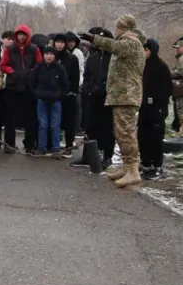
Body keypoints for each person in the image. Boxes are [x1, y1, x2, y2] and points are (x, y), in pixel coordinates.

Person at [80, 15, 146, 188]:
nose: (115, 30)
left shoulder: (131, 42)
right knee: (120, 133)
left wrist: (95, 39)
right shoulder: (128, 42)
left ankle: (133, 170)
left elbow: (114, 46)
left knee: (126, 133)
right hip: (120, 96)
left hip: (127, 95)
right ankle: (126, 167)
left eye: (117, 27)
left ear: (123, 27)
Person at [72, 27, 115, 169]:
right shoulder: (93, 58)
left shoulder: (113, 57)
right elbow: (87, 76)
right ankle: (87, 155)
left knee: (107, 128)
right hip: (92, 97)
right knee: (90, 127)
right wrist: (87, 90)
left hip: (107, 97)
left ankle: (107, 156)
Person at [0, 24, 43, 152]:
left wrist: (31, 72)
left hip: (29, 87)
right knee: (10, 118)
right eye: (19, 34)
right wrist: (13, 72)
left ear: (27, 35)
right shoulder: (10, 49)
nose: (21, 37)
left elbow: (39, 64)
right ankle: (9, 144)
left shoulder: (34, 49)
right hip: (13, 86)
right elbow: (3, 65)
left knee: (30, 117)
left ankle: (29, 145)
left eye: (23, 34)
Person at [139, 39, 172, 180]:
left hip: (157, 107)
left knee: (155, 137)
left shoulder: (161, 66)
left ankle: (157, 165)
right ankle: (146, 163)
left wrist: (160, 105)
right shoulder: (143, 65)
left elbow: (167, 88)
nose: (144, 52)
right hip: (144, 107)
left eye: (146, 50)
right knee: (143, 136)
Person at [28, 45, 69, 156]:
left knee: (55, 125)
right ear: (43, 55)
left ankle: (55, 148)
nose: (48, 56)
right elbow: (32, 83)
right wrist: (37, 94)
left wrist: (60, 96)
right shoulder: (38, 67)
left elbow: (66, 85)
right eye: (46, 54)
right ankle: (42, 148)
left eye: (51, 54)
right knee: (43, 125)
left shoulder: (60, 68)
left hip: (56, 101)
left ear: (54, 55)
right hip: (42, 100)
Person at [52, 33, 80, 157]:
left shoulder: (72, 58)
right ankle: (54, 145)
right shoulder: (50, 56)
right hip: (53, 94)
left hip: (68, 94)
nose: (59, 45)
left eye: (62, 42)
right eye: (57, 42)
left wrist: (73, 92)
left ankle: (68, 146)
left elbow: (75, 77)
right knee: (55, 121)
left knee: (69, 122)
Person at [172, 37, 183, 133]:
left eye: (178, 47)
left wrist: (169, 74)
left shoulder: (182, 59)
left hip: (181, 92)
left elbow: (180, 72)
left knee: (181, 113)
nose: (176, 49)